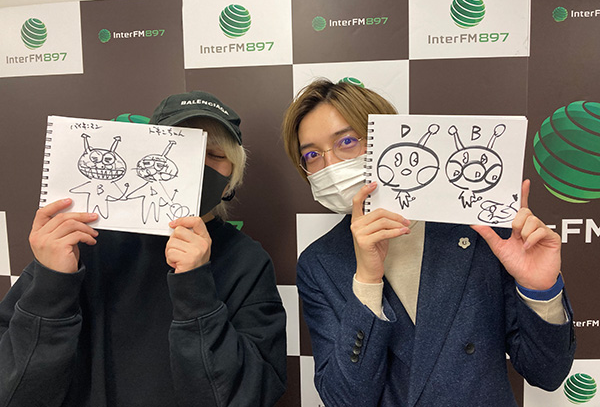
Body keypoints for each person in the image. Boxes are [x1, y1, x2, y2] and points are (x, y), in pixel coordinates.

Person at [281, 79, 575, 406]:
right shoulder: (319, 263)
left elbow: (547, 373)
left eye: (346, 141)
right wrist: (367, 282)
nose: (331, 164)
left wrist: (539, 290)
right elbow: (345, 400)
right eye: (312, 155)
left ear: (390, 137)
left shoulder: (480, 228)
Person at [0, 91, 287, 407]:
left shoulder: (247, 261)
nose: (197, 164)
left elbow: (248, 395)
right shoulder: (82, 244)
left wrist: (196, 291)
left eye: (214, 154)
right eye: (183, 148)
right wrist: (52, 282)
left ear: (231, 177)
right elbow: (13, 392)